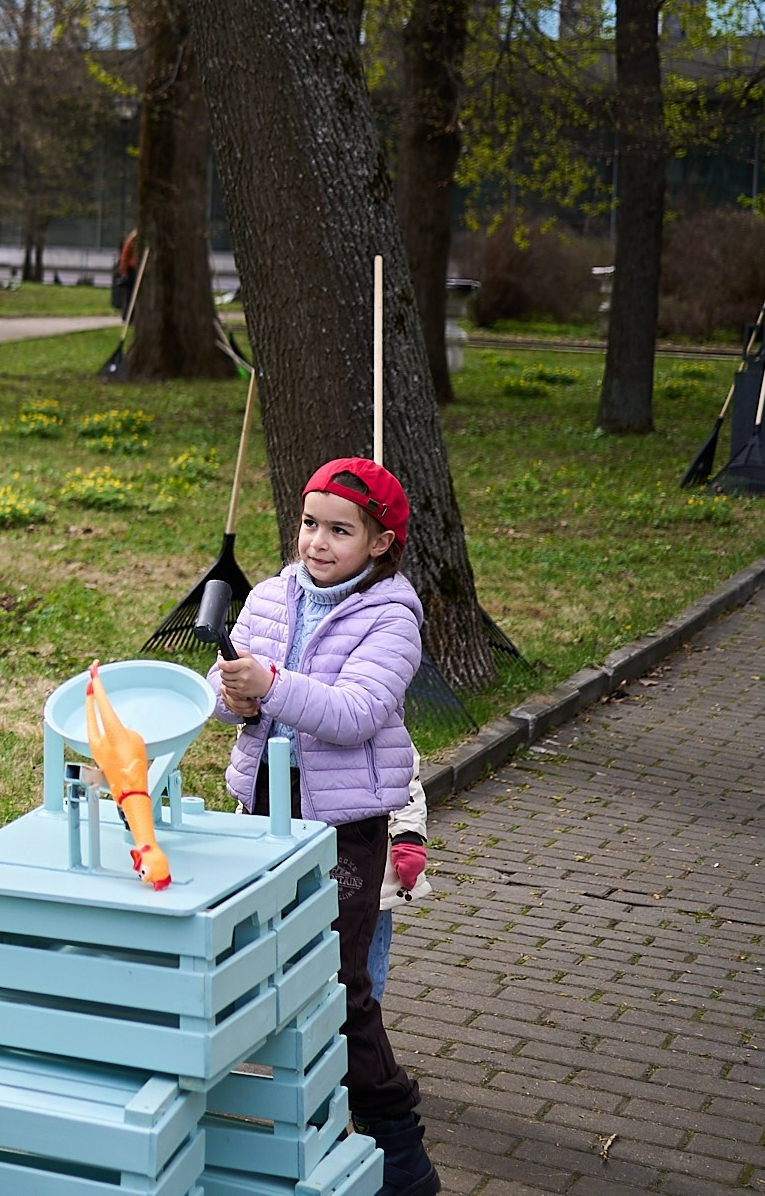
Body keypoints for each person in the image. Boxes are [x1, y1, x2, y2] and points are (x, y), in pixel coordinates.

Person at [211, 457, 440, 1196]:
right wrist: (237, 698)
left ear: (380, 542)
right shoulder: (272, 595)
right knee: (262, 963)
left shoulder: (391, 615)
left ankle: (399, 1148)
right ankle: (307, 1118)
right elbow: (227, 690)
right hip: (262, 810)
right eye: (311, 523)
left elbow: (355, 713)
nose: (317, 541)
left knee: (338, 983)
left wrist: (273, 684)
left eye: (340, 530)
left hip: (343, 826)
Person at [369, 764, 431, 1001]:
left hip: (367, 853)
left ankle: (366, 1015)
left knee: (368, 957)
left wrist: (408, 835)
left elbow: (402, 769)